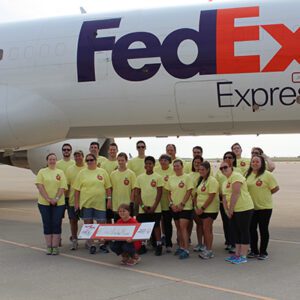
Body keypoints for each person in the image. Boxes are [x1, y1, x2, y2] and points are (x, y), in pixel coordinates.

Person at [73, 153, 112, 253]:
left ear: (96, 161)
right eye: (88, 160)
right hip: (86, 203)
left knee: (101, 224)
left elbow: (108, 187)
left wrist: (109, 199)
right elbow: (77, 190)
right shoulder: (82, 173)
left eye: (91, 160)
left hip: (100, 203)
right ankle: (91, 244)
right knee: (88, 225)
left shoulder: (102, 172)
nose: (90, 162)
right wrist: (76, 203)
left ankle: (102, 243)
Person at [246, 155, 279, 260]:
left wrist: (264, 195)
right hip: (251, 207)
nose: (255, 163)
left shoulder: (267, 175)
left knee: (263, 229)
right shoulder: (247, 174)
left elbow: (275, 188)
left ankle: (263, 252)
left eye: (257, 162)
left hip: (265, 207)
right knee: (252, 229)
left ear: (262, 163)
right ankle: (254, 250)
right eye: (253, 161)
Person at [221, 161, 254, 264]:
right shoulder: (225, 182)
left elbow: (236, 193)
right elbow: (224, 197)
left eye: (225, 167)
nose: (223, 170)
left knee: (243, 231)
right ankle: (237, 254)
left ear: (231, 167)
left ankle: (243, 255)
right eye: (221, 168)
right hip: (233, 210)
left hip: (244, 208)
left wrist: (230, 209)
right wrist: (226, 210)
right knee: (236, 231)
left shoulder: (236, 176)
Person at [35, 153, 68, 255]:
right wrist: (48, 199)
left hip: (59, 203)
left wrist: (56, 198)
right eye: (50, 159)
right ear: (47, 160)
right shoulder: (42, 171)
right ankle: (49, 247)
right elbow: (40, 186)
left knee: (56, 223)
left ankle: (55, 246)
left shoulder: (60, 172)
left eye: (54, 159)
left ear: (56, 161)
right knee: (47, 223)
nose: (52, 161)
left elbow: (62, 187)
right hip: (44, 203)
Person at [135, 156, 163, 256]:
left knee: (156, 226)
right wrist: (142, 206)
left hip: (155, 208)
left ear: (153, 165)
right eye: (146, 164)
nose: (148, 165)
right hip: (143, 208)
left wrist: (154, 206)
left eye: (150, 164)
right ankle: (142, 245)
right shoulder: (139, 177)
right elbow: (137, 193)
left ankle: (159, 245)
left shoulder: (158, 177)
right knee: (143, 227)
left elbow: (159, 193)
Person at [165, 159, 193, 259]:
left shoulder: (187, 177)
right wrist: (172, 204)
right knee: (178, 228)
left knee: (183, 227)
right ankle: (181, 247)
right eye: (175, 166)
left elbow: (189, 191)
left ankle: (186, 249)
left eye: (178, 166)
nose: (176, 167)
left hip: (185, 207)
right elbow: (168, 193)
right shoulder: (171, 178)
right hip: (174, 207)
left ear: (182, 166)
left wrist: (182, 204)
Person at [193, 161, 219, 259]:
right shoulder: (201, 180)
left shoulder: (212, 180)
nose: (201, 171)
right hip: (201, 209)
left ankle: (209, 251)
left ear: (208, 170)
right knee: (206, 229)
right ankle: (207, 248)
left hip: (209, 210)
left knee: (207, 230)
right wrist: (196, 207)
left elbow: (211, 196)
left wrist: (202, 208)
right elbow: (196, 194)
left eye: (203, 169)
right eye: (199, 169)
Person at [215, 151, 240, 253]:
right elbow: (216, 185)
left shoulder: (238, 171)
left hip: (235, 201)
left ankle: (236, 243)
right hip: (223, 200)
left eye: (230, 157)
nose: (227, 159)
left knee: (235, 223)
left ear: (234, 159)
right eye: (225, 157)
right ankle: (229, 241)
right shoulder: (219, 172)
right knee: (226, 222)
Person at [65, 150, 86, 250]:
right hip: (73, 200)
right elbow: (68, 185)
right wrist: (66, 198)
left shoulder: (87, 167)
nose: (78, 158)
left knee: (87, 221)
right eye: (76, 156)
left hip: (86, 200)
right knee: (73, 221)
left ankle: (88, 240)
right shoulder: (70, 170)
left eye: (79, 156)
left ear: (83, 157)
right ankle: (74, 239)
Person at [154, 154, 174, 252]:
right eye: (161, 160)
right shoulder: (156, 170)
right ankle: (156, 242)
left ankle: (168, 243)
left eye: (165, 160)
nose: (163, 161)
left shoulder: (172, 170)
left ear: (169, 161)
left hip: (168, 201)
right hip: (157, 201)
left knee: (167, 223)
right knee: (156, 223)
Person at [110, 152, 136, 222]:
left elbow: (133, 189)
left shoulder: (131, 173)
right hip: (116, 205)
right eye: (119, 160)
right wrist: (110, 201)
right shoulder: (113, 174)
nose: (120, 162)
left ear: (126, 161)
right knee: (117, 225)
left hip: (127, 205)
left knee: (129, 226)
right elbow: (110, 189)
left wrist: (131, 202)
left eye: (122, 160)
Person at [188, 155, 205, 253]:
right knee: (191, 223)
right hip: (190, 203)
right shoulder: (189, 175)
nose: (197, 165)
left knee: (200, 224)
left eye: (199, 163)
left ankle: (202, 243)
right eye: (195, 163)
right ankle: (191, 242)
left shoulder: (203, 175)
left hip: (200, 203)